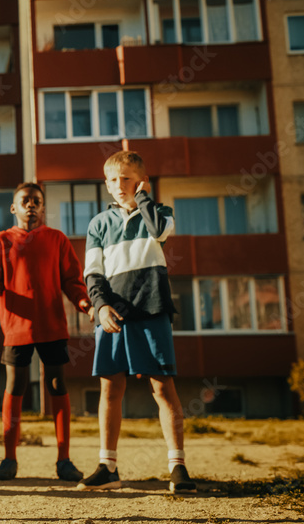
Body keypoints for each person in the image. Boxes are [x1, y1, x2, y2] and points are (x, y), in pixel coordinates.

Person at [77, 151, 196, 494]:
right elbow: (93, 273)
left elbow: (159, 232)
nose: (119, 186)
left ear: (142, 181)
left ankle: (178, 466)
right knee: (110, 388)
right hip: (113, 314)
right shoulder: (98, 224)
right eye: (113, 180)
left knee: (162, 387)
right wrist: (100, 307)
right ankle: (108, 466)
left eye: (127, 178)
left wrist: (143, 197)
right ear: (105, 184)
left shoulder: (158, 213)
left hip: (151, 309)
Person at [0, 182, 92, 482]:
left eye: (36, 201)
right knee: (17, 384)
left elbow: (72, 280)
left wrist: (84, 301)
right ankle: (9, 458)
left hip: (52, 325)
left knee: (56, 383)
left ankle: (64, 460)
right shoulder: (1, 241)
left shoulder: (57, 239)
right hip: (16, 326)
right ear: (13, 208)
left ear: (42, 207)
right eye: (25, 201)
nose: (31, 205)